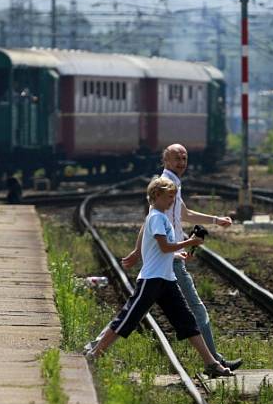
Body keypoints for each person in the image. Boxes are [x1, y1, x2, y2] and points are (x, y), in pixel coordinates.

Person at [86, 177, 233, 378]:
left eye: (173, 197)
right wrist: (189, 242)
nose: (172, 201)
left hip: (167, 279)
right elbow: (163, 246)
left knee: (187, 321)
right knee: (128, 318)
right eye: (169, 197)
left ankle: (211, 363)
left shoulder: (160, 217)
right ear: (156, 196)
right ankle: (95, 354)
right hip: (152, 279)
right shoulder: (156, 217)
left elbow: (160, 250)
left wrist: (177, 254)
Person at [121, 144, 242, 371]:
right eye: (176, 158)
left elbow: (185, 214)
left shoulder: (174, 185)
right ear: (165, 160)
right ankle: (214, 361)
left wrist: (217, 220)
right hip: (170, 260)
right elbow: (151, 221)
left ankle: (213, 361)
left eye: (184, 158)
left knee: (137, 310)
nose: (181, 162)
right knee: (195, 309)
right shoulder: (165, 187)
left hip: (172, 258)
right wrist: (140, 252)